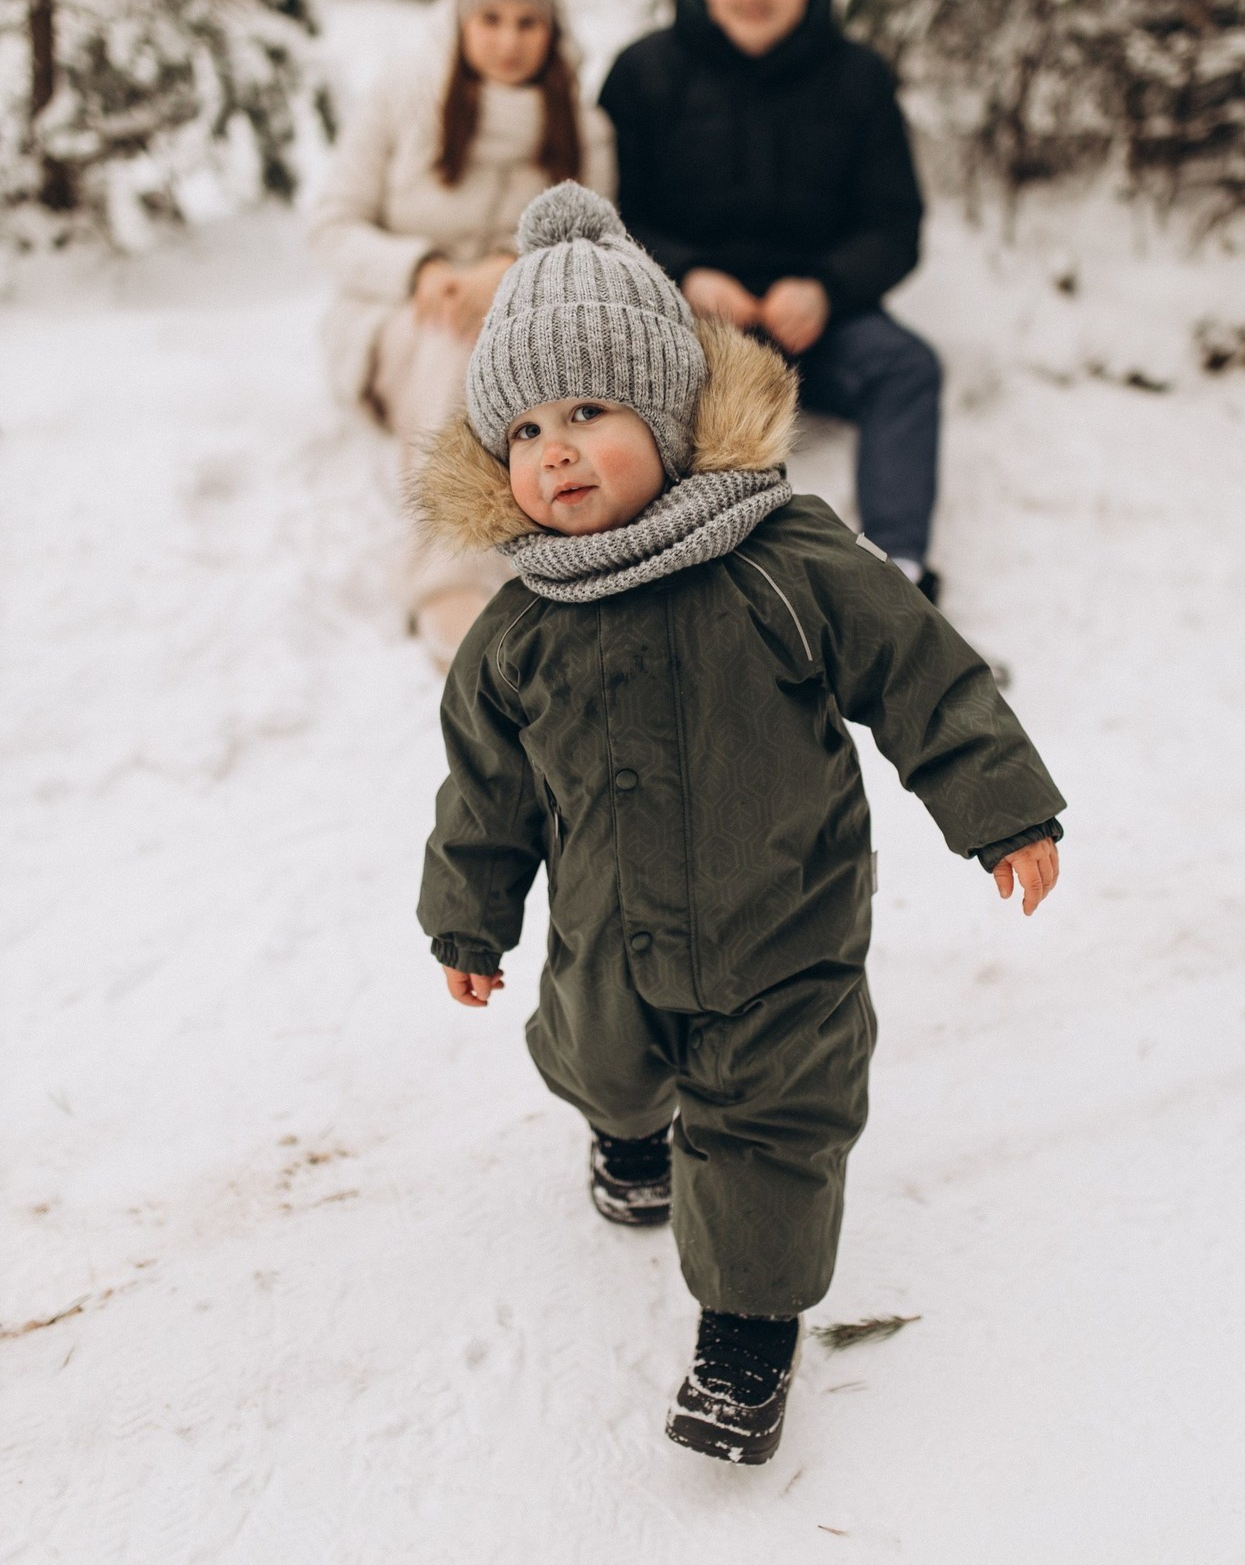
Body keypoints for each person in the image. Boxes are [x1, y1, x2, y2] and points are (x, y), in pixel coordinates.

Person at [412, 182, 1065, 1466]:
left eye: (591, 411)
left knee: (772, 1126)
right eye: (528, 428)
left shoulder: (783, 552)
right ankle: (623, 1128)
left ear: (663, 411)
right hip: (609, 931)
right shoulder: (520, 628)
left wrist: (998, 806)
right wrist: (467, 916)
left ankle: (746, 1336)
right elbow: (482, 791)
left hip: (786, 929)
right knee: (603, 1056)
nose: (557, 449)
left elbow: (918, 668)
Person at [599, 0, 942, 594]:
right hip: (683, 318)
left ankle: (897, 572)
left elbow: (896, 224)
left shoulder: (860, 79)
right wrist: (686, 275)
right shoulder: (643, 72)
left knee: (907, 368)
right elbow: (607, 215)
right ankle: (657, 581)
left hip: (820, 318)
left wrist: (827, 287)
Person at [308, 0, 615, 665]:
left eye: (526, 22)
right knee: (456, 342)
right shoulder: (401, 100)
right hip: (397, 321)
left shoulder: (581, 124)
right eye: (490, 19)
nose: (508, 39)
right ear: (461, 20)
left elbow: (595, 240)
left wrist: (512, 268)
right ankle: (449, 575)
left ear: (551, 31)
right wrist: (422, 269)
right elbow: (331, 225)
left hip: (521, 321)